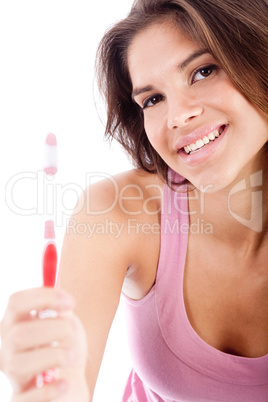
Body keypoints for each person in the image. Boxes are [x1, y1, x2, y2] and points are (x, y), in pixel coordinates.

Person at [1, 0, 268, 400]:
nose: (178, 116)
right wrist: (47, 390)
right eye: (152, 100)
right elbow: (61, 389)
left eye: (203, 71)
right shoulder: (116, 211)